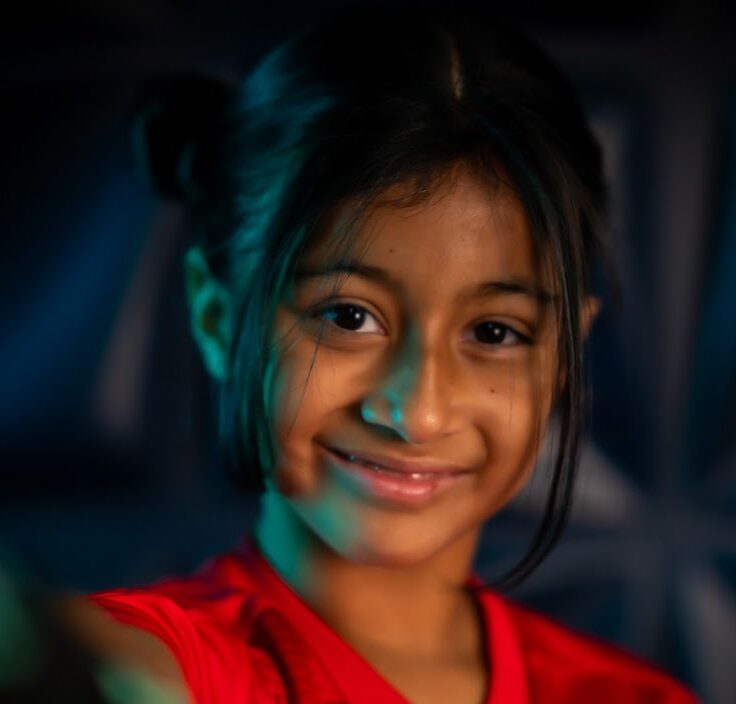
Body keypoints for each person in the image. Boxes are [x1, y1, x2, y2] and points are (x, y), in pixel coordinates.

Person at [73, 5, 696, 703]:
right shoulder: (176, 666)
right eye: (349, 317)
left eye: (495, 333)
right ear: (219, 318)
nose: (418, 413)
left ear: (562, 357)